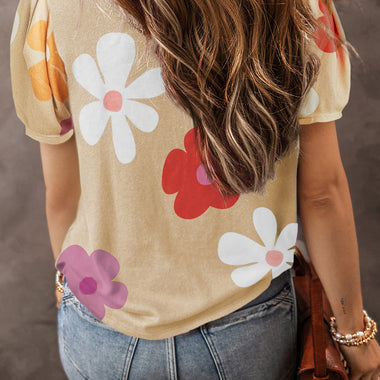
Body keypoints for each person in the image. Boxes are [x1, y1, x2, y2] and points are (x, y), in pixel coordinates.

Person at [10, 0, 380, 378]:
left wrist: (70, 286)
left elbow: (62, 198)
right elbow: (321, 194)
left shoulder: (52, 8)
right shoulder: (297, 7)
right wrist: (354, 335)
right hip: (248, 329)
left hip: (102, 330)